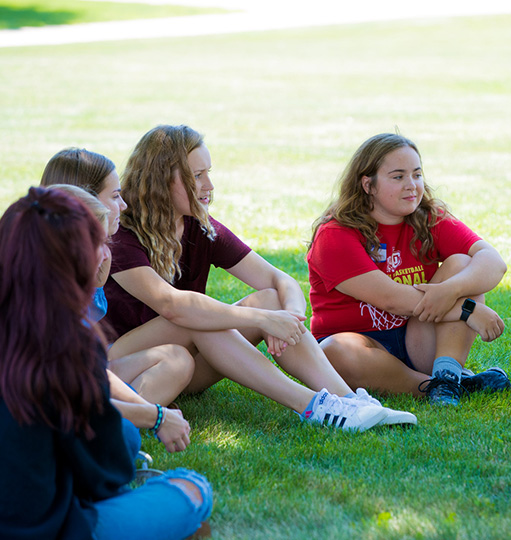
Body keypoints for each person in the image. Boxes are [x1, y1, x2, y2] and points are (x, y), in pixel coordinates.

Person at [104, 124, 414, 431]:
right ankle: (313, 406)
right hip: (123, 362)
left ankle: (349, 401)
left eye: (207, 173)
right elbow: (173, 306)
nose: (209, 185)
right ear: (161, 179)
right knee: (197, 314)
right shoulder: (122, 233)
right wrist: (263, 320)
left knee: (269, 299)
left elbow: (280, 281)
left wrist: (288, 316)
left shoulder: (199, 226)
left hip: (182, 361)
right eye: (196, 176)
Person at [0, 187, 212, 539]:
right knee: (192, 487)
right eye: (100, 243)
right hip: (52, 528)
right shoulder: (67, 344)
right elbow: (109, 470)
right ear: (83, 259)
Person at [307, 133, 510, 406]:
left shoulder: (428, 217)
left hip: (418, 334)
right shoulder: (334, 234)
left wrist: (453, 289)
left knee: (461, 264)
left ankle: (447, 373)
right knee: (332, 352)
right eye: (398, 177)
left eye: (416, 174)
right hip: (361, 346)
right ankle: (441, 386)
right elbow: (391, 300)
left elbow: (493, 262)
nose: (412, 186)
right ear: (368, 184)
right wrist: (468, 309)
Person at [41, 148, 195, 407]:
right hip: (52, 385)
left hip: (86, 369)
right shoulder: (48, 276)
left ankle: (115, 415)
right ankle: (110, 419)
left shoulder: (90, 257)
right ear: (84, 202)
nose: (123, 205)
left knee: (178, 360)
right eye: (115, 196)